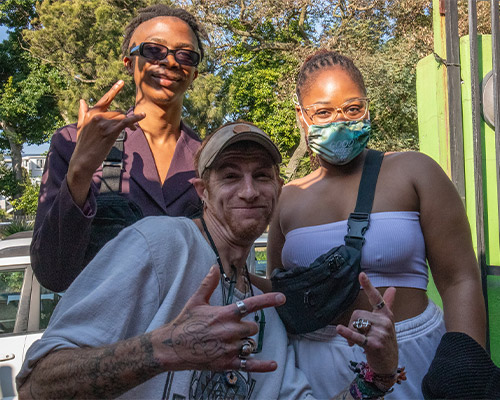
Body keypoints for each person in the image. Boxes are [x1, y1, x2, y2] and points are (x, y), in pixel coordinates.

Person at [16, 122, 402, 400]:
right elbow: (38, 384)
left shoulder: (266, 317)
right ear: (203, 190)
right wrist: (164, 348)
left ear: (278, 188)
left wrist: (377, 376)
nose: (249, 191)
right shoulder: (162, 244)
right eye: (230, 176)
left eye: (262, 176)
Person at [265, 50, 486, 399]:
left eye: (352, 108)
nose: (340, 122)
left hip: (413, 360)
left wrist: (466, 365)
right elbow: (280, 295)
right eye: (323, 112)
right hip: (317, 371)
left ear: (368, 107)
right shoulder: (285, 197)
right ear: (302, 117)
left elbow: (461, 278)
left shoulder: (416, 172)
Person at [31, 5, 205, 292]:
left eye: (186, 55)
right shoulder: (74, 143)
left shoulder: (209, 159)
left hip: (192, 331)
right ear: (129, 62)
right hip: (105, 335)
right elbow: (53, 274)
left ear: (195, 73)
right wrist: (80, 171)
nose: (171, 62)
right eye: (154, 50)